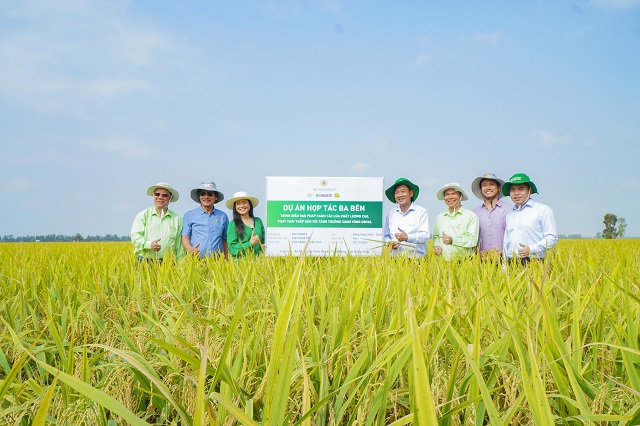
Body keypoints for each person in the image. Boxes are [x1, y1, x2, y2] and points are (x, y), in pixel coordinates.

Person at [502, 173, 558, 264]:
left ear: (530, 191)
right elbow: (506, 241)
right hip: (511, 261)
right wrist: (504, 265)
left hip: (533, 260)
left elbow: (552, 237)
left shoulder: (543, 210)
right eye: (512, 190)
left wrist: (531, 249)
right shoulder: (510, 214)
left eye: (521, 189)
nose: (516, 193)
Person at [131, 182, 185, 262]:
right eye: (157, 194)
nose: (160, 197)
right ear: (153, 196)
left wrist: (181, 267)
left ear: (171, 198)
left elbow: (179, 246)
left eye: (165, 195)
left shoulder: (177, 219)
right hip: (144, 262)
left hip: (168, 263)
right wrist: (149, 244)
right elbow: (135, 237)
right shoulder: (143, 215)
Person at [383, 178, 430, 258]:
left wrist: (407, 237)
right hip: (395, 259)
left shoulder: (421, 212)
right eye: (397, 192)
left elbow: (425, 236)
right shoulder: (391, 213)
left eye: (403, 191)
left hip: (417, 259)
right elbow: (386, 236)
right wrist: (390, 243)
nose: (400, 195)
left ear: (411, 193)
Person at [182, 181, 229, 259]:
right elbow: (185, 237)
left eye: (210, 194)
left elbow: (225, 240)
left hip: (218, 262)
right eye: (203, 194)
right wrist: (190, 249)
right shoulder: (189, 215)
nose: (206, 197)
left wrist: (226, 259)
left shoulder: (222, 216)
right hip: (196, 260)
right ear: (199, 197)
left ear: (216, 197)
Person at [433, 182, 479, 261]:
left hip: (465, 262)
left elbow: (473, 240)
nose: (450, 197)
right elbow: (436, 237)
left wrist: (453, 240)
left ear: (460, 196)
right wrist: (437, 246)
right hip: (444, 263)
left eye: (453, 194)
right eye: (447, 194)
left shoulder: (471, 216)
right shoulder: (440, 217)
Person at [471, 173, 509, 258]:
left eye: (492, 184)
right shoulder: (474, 213)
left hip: (505, 260)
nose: (488, 187)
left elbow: (514, 235)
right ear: (481, 189)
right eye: (484, 185)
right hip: (481, 261)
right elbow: (471, 236)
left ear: (498, 188)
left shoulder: (509, 210)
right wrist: (477, 251)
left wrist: (504, 251)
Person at [226, 191, 265, 258]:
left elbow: (263, 241)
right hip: (240, 264)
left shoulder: (258, 221)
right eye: (238, 204)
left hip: (259, 264)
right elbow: (232, 249)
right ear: (235, 207)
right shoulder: (233, 224)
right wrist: (250, 243)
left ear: (249, 204)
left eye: (244, 202)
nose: (241, 206)